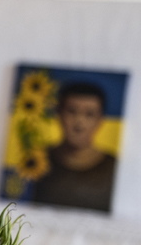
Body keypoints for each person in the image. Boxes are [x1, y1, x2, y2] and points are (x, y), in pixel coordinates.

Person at [33, 81, 116, 212]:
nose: (79, 123)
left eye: (89, 114)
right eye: (72, 111)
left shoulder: (114, 167)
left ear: (100, 120)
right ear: (58, 113)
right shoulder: (34, 160)